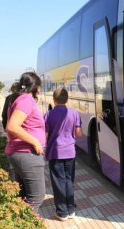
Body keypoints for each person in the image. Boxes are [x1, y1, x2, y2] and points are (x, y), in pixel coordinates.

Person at [5, 71, 46, 214]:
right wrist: (35, 141)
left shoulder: (16, 99)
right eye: (40, 87)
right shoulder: (26, 100)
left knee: (24, 196)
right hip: (27, 154)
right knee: (37, 196)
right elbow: (12, 126)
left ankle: (21, 221)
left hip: (20, 153)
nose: (40, 91)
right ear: (35, 87)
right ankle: (26, 222)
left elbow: (7, 127)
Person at [44, 88, 83, 221]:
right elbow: (79, 133)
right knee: (69, 180)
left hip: (55, 152)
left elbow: (45, 135)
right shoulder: (74, 113)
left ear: (53, 100)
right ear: (67, 99)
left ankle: (62, 212)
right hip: (70, 152)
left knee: (58, 182)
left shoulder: (48, 114)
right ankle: (71, 209)